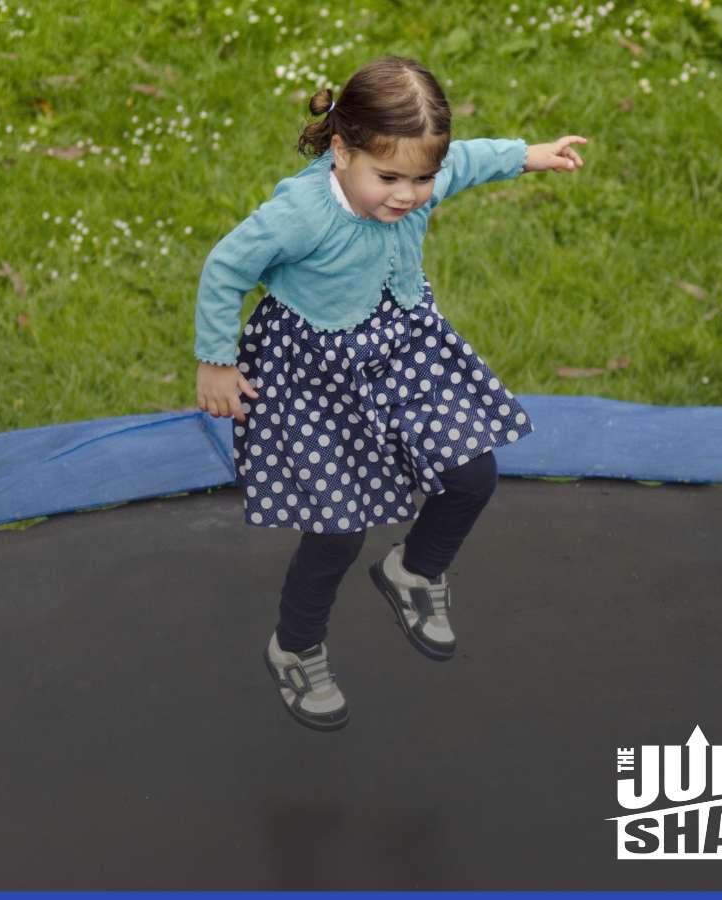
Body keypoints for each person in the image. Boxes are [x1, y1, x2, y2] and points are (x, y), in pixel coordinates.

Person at [193, 55, 587, 732]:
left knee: (473, 473)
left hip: (403, 348)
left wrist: (529, 155)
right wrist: (215, 362)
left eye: (422, 178)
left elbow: (466, 160)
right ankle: (295, 646)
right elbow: (227, 266)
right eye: (390, 178)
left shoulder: (425, 176)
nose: (408, 196)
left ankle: (412, 570)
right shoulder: (302, 213)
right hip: (313, 374)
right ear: (342, 151)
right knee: (338, 530)